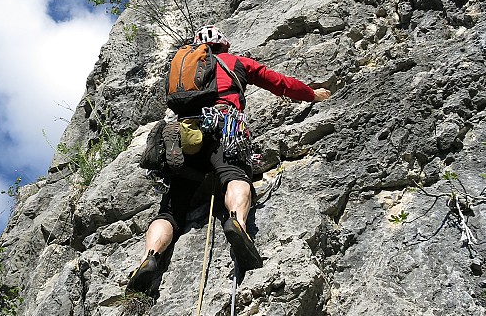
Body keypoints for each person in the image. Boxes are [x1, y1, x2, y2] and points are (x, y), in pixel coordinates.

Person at [126, 25, 332, 292]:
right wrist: (311, 94)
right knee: (235, 175)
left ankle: (150, 256)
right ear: (224, 44)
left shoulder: (186, 70)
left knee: (171, 208)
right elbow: (278, 82)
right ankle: (237, 222)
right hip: (225, 126)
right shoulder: (236, 62)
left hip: (185, 137)